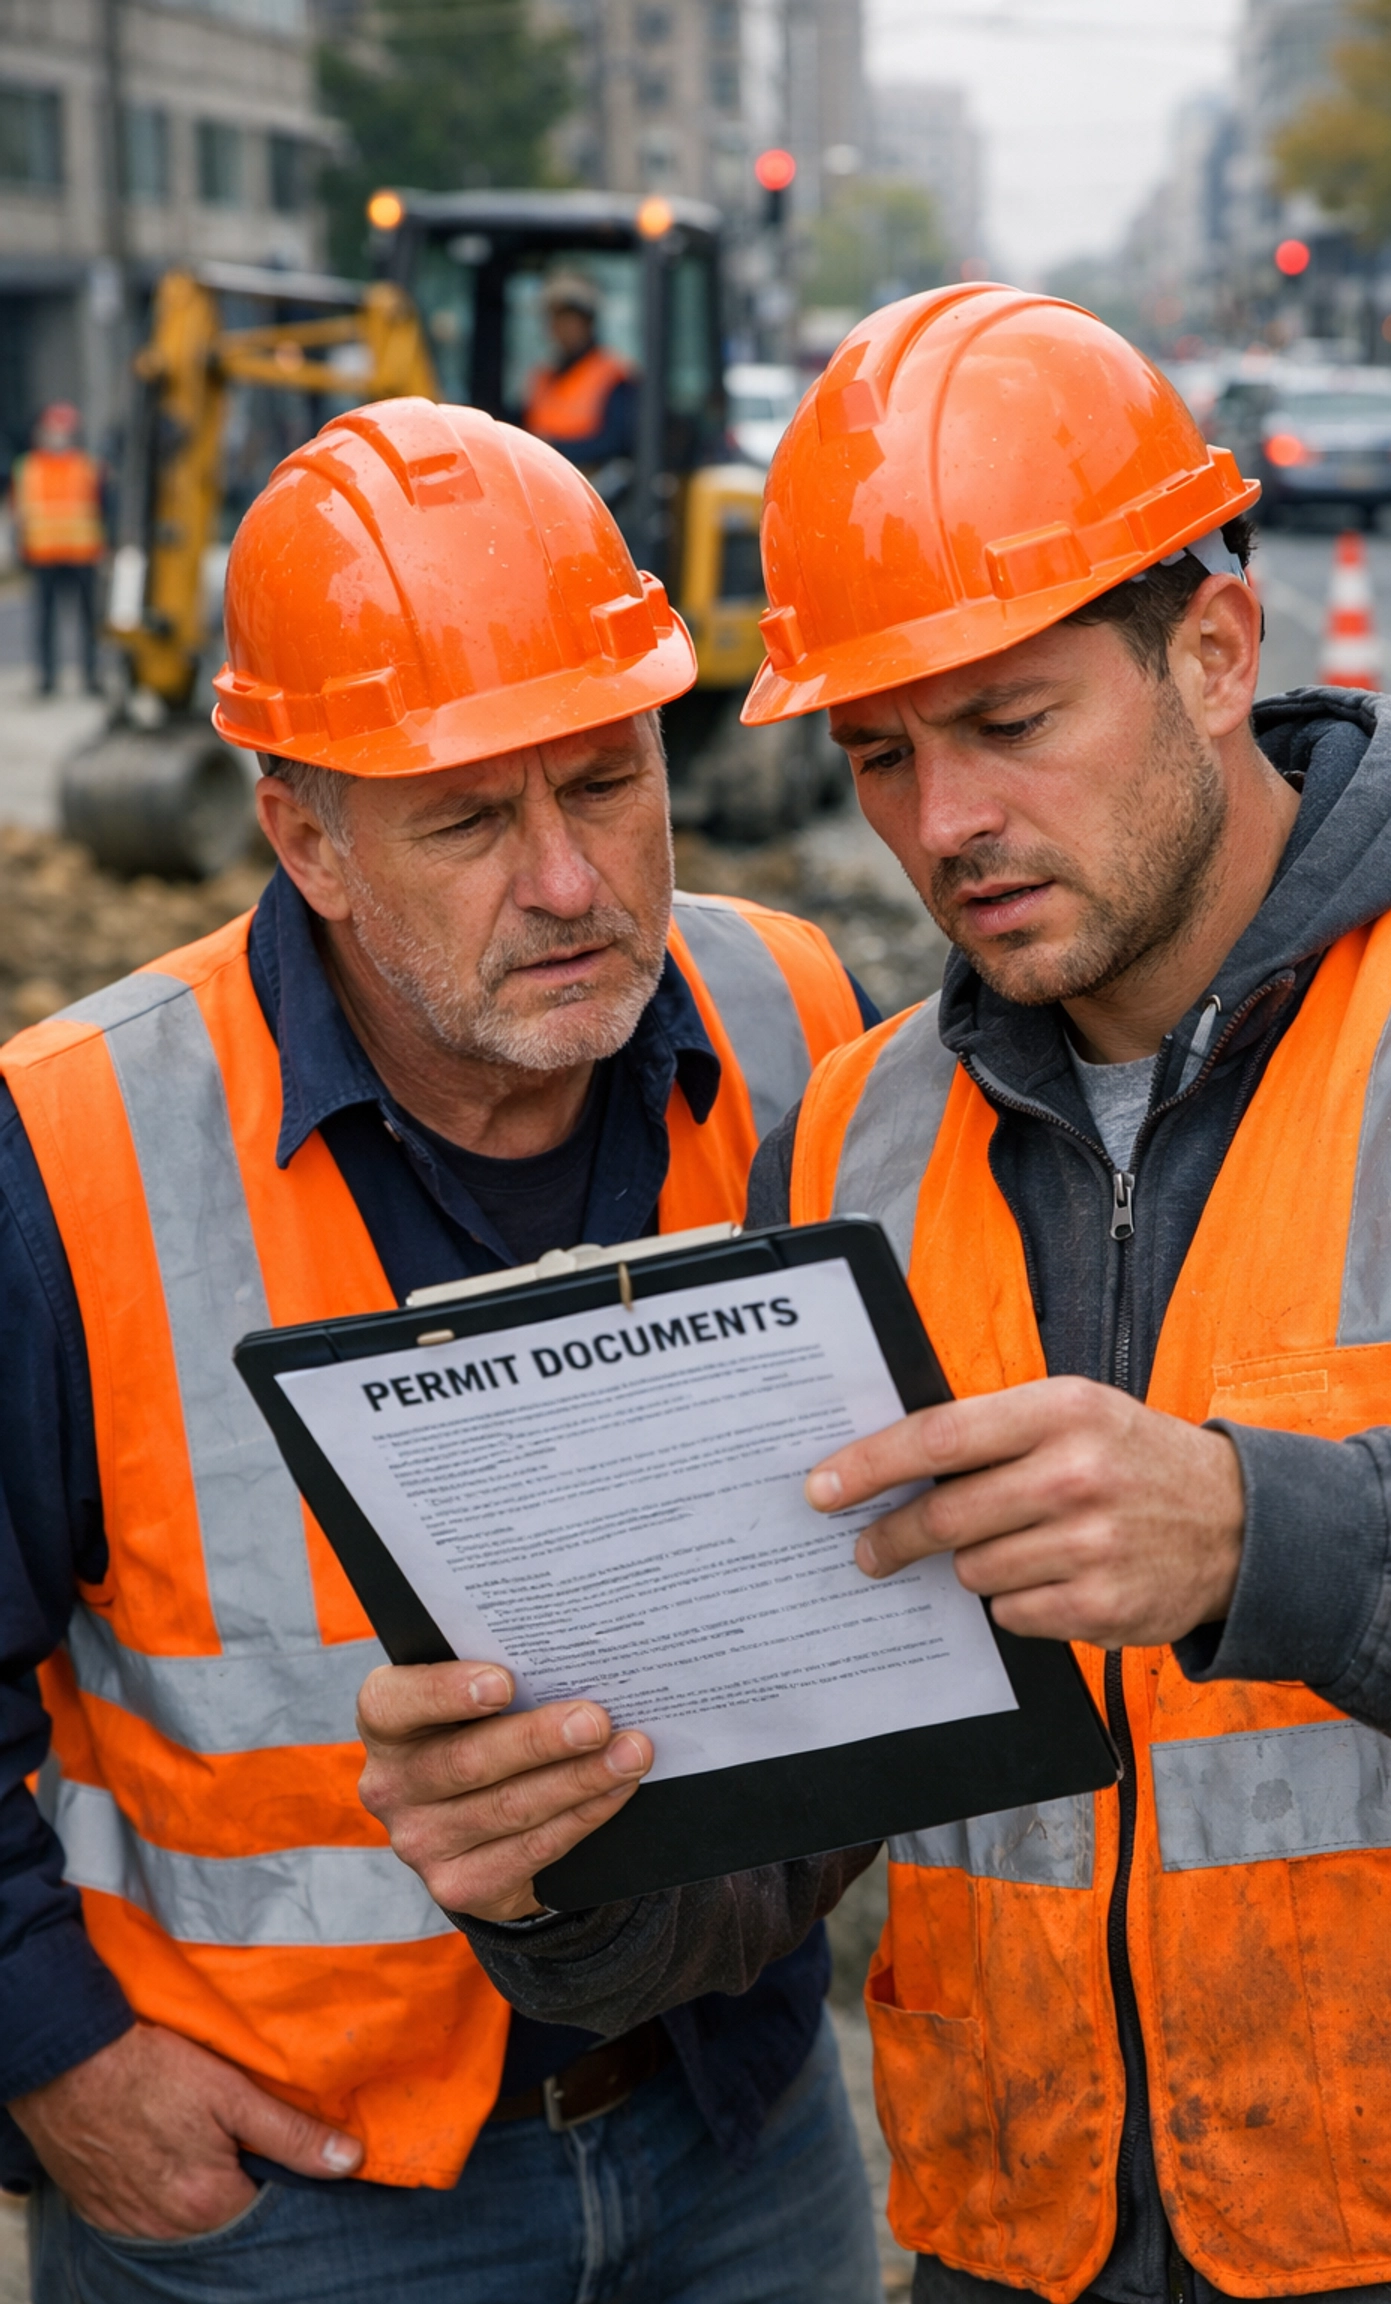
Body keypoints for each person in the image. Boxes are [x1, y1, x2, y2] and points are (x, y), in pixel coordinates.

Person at [355, 291, 1391, 2304]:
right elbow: (791, 1827)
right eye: (885, 753)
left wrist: (1263, 1532)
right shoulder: (857, 1145)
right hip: (1014, 2249)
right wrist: (558, 1865)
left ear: (1217, 652)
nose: (945, 823)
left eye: (1013, 721)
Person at [0, 396, 884, 2304]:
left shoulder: (796, 1010)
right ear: (305, 836)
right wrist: (52, 2058)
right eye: (469, 818)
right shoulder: (73, 1147)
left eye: (609, 778)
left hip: (743, 2120)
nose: (569, 879)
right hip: (290, 2189)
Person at [9, 401, 104, 695]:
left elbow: (102, 508)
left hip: (82, 553)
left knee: (88, 621)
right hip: (44, 554)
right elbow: (19, 513)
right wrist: (19, 550)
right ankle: (47, 679)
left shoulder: (86, 467)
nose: (58, 436)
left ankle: (91, 676)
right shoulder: (27, 468)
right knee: (45, 620)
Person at [520, 273, 637, 475]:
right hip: (539, 480)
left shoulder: (611, 375)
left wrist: (555, 448)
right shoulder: (543, 377)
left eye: (567, 317)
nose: (559, 327)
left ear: (587, 321)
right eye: (554, 317)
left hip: (591, 489)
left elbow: (617, 442)